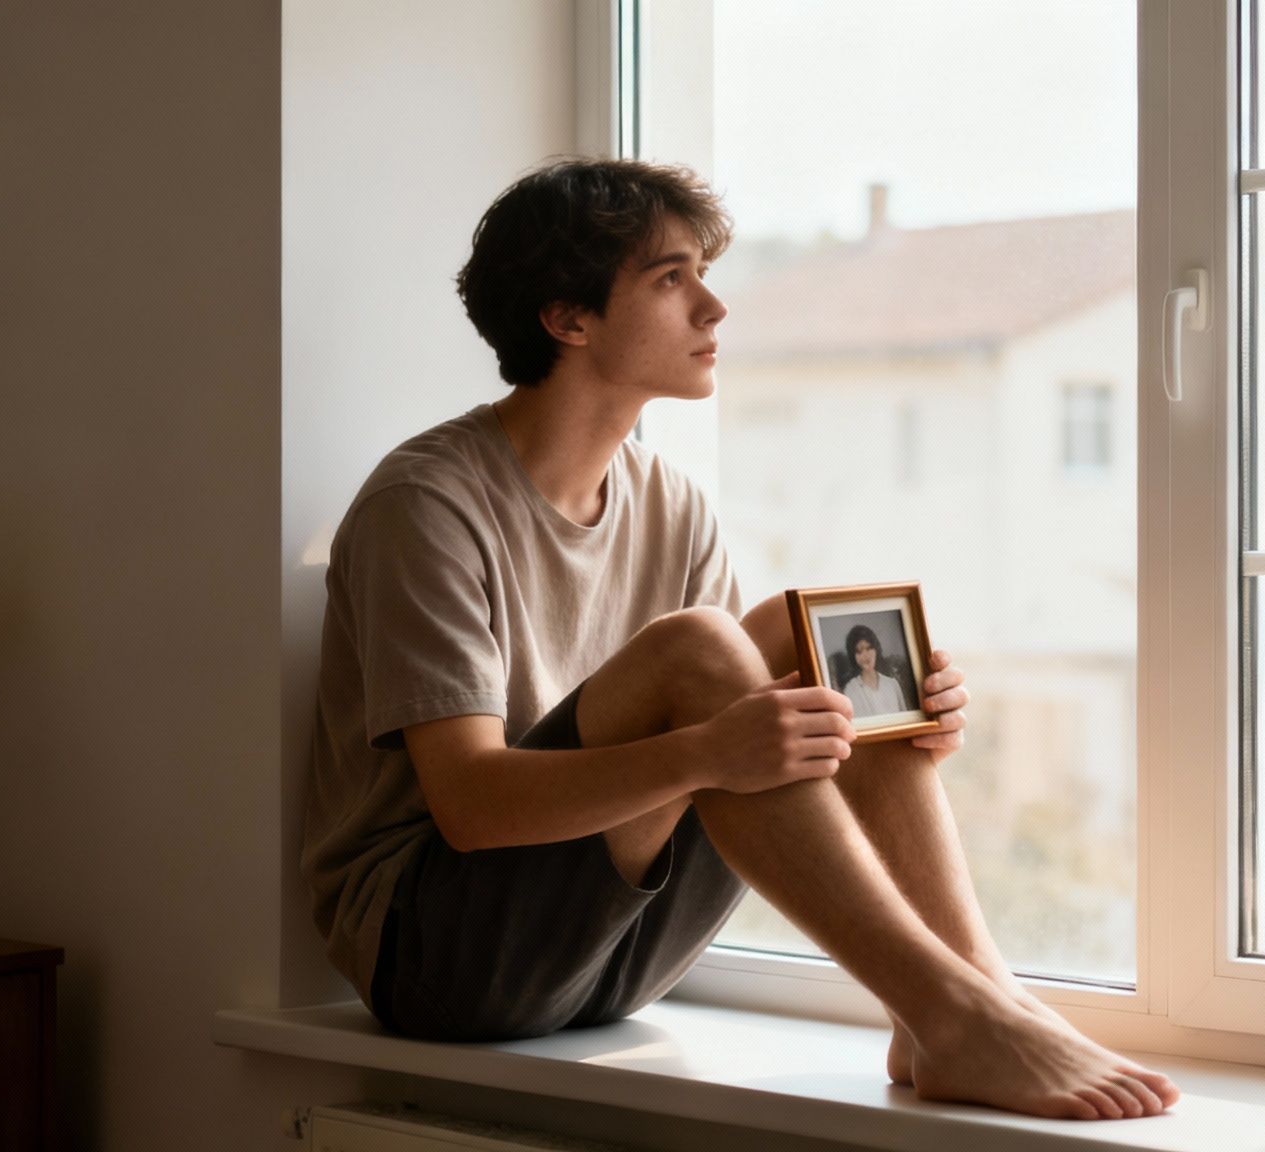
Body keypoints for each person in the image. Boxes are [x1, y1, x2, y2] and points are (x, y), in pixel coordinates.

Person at [300, 156, 1178, 1121]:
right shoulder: (425, 505)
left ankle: (961, 1006)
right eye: (670, 279)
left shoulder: (671, 503)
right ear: (568, 317)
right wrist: (707, 753)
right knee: (702, 651)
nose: (714, 307)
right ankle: (959, 1012)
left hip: (621, 948)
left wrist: (889, 719)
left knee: (826, 639)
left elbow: (753, 736)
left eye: (703, 275)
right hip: (445, 960)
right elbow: (470, 805)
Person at [839, 623, 909, 718]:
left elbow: (906, 718)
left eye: (868, 648)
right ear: (853, 656)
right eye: (859, 651)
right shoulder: (851, 689)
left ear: (876, 649)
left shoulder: (892, 684)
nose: (865, 655)